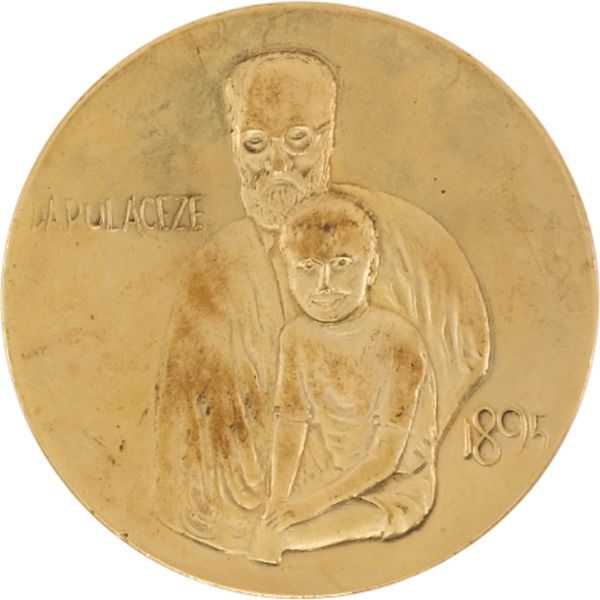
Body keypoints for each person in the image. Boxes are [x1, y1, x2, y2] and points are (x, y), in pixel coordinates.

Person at [155, 49, 490, 557]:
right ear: (234, 146)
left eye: (297, 140)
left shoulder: (408, 243)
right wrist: (280, 500)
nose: (277, 165)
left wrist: (312, 501)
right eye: (255, 145)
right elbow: (195, 452)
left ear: (328, 137)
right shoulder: (216, 275)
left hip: (374, 487)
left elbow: (465, 354)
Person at [252, 193, 436, 564]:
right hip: (327, 479)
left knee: (285, 542)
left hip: (390, 491)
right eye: (307, 267)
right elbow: (291, 423)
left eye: (340, 264)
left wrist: (306, 508)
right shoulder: (295, 337)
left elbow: (385, 459)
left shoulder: (397, 340)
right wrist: (277, 504)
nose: (323, 284)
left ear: (372, 268)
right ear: (287, 270)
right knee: (266, 534)